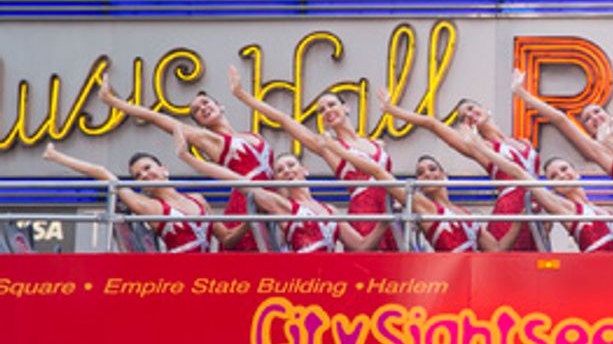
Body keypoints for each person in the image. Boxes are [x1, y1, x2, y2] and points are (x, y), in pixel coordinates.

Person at [99, 67, 271, 251]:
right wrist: (112, 101)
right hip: (246, 203)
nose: (203, 108)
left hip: (271, 200)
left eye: (205, 103)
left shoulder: (253, 135)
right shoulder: (214, 141)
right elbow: (156, 117)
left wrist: (240, 92)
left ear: (219, 104)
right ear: (198, 124)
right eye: (197, 110)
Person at [229, 70, 399, 250]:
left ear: (346, 107)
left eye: (331, 104)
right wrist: (242, 95)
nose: (327, 111)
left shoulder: (376, 143)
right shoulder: (329, 147)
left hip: (389, 207)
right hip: (366, 211)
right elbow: (284, 120)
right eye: (322, 110)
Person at [377, 75, 540, 251]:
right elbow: (431, 123)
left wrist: (520, 92)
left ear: (484, 109)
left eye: (471, 108)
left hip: (534, 207)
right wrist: (392, 110)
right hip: (510, 212)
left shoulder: (523, 142)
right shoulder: (479, 147)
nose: (470, 115)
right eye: (464, 117)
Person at [513, 79, 613, 250]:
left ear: (609, 115)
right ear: (588, 130)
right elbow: (561, 120)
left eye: (597, 111)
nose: (594, 117)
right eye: (588, 119)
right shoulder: (602, 152)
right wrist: (523, 94)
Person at [176, 132, 389, 252]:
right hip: (302, 282)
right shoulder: (282, 206)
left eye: (290, 165)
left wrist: (382, 225)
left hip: (332, 282)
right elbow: (236, 180)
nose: (287, 171)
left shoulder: (330, 209)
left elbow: (361, 247)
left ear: (304, 170)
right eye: (280, 170)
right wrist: (188, 158)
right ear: (276, 179)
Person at [315, 140, 507, 252]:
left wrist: (521, 217)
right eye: (421, 173)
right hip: (452, 275)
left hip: (475, 274)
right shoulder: (423, 206)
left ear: (444, 175)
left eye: (432, 169)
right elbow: (379, 173)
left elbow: (497, 250)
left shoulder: (466, 213)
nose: (428, 174)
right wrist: (340, 151)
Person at [461, 126, 613, 252]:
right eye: (554, 176)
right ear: (553, 187)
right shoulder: (564, 208)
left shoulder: (605, 212)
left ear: (577, 173)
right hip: (602, 272)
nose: (562, 176)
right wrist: (481, 148)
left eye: (564, 169)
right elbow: (518, 173)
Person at [43, 142, 221, 253]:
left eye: (147, 168)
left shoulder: (198, 198)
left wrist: (249, 207)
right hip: (177, 275)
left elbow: (227, 237)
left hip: (209, 276)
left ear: (164, 169)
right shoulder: (150, 207)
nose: (144, 175)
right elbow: (102, 172)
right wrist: (56, 156)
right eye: (137, 175)